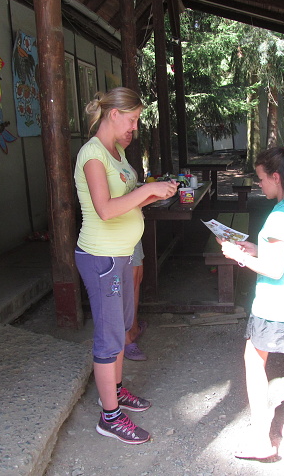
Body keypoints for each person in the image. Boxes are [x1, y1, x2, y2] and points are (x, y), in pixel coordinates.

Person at [74, 87, 177, 445]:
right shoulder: (92, 154)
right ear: (113, 114)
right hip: (101, 257)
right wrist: (147, 191)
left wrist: (155, 191)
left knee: (119, 330)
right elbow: (105, 209)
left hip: (121, 253)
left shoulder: (115, 152)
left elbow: (127, 201)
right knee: (108, 337)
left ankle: (116, 392)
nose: (134, 127)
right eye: (131, 119)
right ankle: (110, 417)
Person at [220, 146, 284, 459]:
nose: (258, 184)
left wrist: (236, 255)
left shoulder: (279, 216)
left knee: (253, 361)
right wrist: (254, 248)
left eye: (261, 178)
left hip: (276, 305)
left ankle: (261, 440)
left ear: (276, 177)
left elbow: (275, 270)